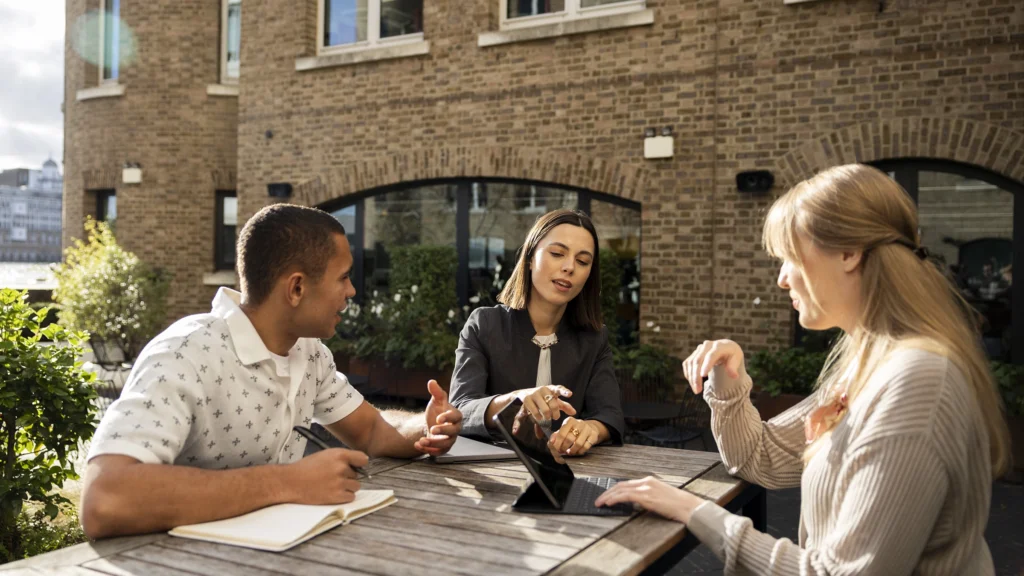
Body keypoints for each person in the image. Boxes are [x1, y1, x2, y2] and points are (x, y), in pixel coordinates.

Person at [596, 164, 1010, 575]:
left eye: (790, 257)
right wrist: (728, 376)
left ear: (849, 252)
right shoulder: (867, 364)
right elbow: (760, 458)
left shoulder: (917, 381)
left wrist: (694, 511)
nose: (781, 279)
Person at [81, 204, 463, 539]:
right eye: (343, 277)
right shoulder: (186, 352)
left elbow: (371, 430)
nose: (351, 291)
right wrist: (288, 483)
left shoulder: (308, 352)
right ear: (296, 288)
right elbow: (106, 498)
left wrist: (425, 430)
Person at [450, 209, 625, 458]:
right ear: (530, 257)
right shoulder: (485, 324)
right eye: (557, 253)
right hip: (494, 469)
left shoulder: (594, 339)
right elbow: (460, 410)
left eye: (583, 261)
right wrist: (513, 400)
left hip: (568, 472)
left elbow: (610, 416)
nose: (569, 267)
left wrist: (589, 430)